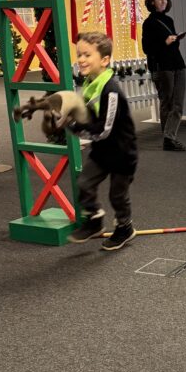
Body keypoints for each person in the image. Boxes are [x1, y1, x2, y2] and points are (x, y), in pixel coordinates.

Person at [68, 31, 137, 251]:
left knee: (117, 195)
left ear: (105, 60)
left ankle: (125, 227)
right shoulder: (90, 82)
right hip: (102, 151)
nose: (81, 60)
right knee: (84, 183)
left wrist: (76, 128)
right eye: (79, 54)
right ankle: (94, 219)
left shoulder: (110, 91)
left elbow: (104, 130)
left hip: (122, 152)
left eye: (87, 55)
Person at [142, 0, 186, 152]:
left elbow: (173, 46)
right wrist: (165, 42)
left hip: (178, 64)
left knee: (178, 104)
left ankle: (169, 137)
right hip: (162, 68)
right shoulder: (149, 23)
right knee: (167, 103)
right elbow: (147, 48)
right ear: (152, 1)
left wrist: (175, 40)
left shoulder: (169, 21)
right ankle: (168, 138)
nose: (163, 1)